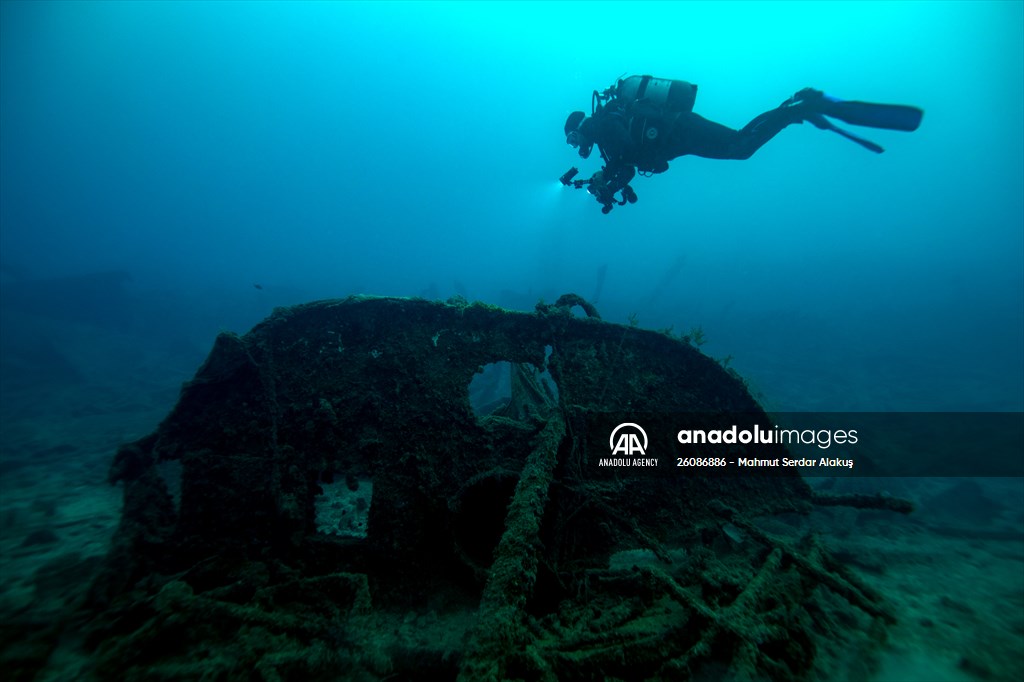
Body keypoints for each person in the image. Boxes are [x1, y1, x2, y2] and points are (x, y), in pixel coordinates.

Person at [562, 75, 923, 213]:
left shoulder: (600, 123)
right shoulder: (606, 131)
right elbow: (626, 162)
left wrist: (610, 177)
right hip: (678, 137)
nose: (577, 145)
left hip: (679, 131)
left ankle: (798, 106)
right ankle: (793, 109)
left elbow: (627, 150)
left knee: (740, 147)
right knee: (740, 147)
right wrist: (608, 182)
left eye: (573, 137)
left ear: (580, 126)